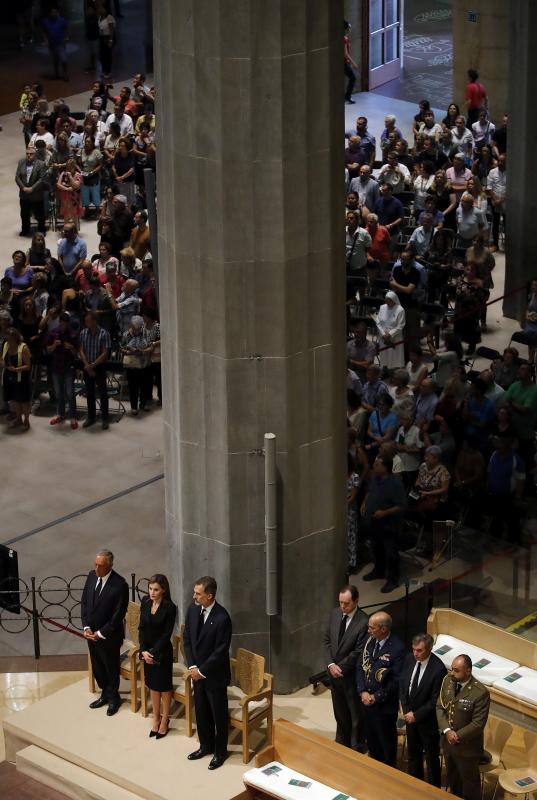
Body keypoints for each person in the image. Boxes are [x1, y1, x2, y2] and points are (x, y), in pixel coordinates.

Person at [183, 576, 232, 770]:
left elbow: (220, 651)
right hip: (197, 673)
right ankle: (205, 745)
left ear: (210, 596)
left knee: (218, 715)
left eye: (198, 593)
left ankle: (220, 752)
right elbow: (187, 639)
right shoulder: (193, 610)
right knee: (202, 712)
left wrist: (202, 671)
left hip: (214, 676)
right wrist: (192, 667)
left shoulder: (222, 618)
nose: (194, 596)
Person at [81, 549, 129, 716]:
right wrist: (86, 627)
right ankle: (104, 693)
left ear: (109, 565)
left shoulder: (120, 584)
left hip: (109, 636)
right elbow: (85, 603)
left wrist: (100, 633)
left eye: (100, 565)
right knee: (98, 666)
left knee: (110, 667)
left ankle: (114, 698)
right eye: (95, 564)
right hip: (91, 634)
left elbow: (118, 615)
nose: (96, 568)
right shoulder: (91, 576)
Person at [437, 654, 490, 800]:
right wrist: (447, 731)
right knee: (453, 779)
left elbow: (478, 724)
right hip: (448, 743)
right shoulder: (448, 681)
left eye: (456, 670)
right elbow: (440, 708)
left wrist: (456, 736)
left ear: (468, 671)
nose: (452, 673)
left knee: (470, 785)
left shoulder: (480, 693)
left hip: (467, 748)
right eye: (452, 669)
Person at [323, 584, 368, 752]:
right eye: (341, 602)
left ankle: (356, 746)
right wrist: (330, 664)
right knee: (339, 711)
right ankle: (342, 743)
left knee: (355, 714)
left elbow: (359, 652)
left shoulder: (363, 621)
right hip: (334, 674)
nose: (343, 607)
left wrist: (339, 667)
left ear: (356, 601)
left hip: (350, 676)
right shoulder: (334, 614)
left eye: (346, 603)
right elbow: (327, 642)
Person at [355, 612, 405, 765]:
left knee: (386, 746)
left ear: (383, 629)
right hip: (366, 703)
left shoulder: (397, 648)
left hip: (384, 707)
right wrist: (362, 691)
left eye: (372, 628)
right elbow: (360, 667)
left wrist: (376, 697)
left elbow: (396, 680)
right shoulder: (370, 641)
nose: (368, 630)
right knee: (372, 743)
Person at [400, 633, 447, 787]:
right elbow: (403, 685)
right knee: (413, 755)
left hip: (428, 723)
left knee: (431, 759)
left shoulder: (438, 669)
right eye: (413, 649)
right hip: (410, 718)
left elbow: (435, 700)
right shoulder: (409, 659)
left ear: (429, 649)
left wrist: (416, 715)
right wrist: (406, 710)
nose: (415, 653)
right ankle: (415, 787)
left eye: (419, 650)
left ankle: (434, 792)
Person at [361, 454, 407, 593]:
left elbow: (401, 505)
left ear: (385, 467)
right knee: (376, 548)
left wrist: (384, 513)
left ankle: (393, 579)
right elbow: (370, 491)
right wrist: (364, 503)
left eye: (377, 464)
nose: (374, 466)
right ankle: (379, 570)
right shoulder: (375, 478)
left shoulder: (395, 483)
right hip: (374, 523)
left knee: (391, 553)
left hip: (389, 525)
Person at [139, 574, 177, 739]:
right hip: (147, 651)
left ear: (163, 590)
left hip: (162, 652)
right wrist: (143, 650)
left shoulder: (170, 607)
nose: (152, 592)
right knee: (153, 685)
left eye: (156, 589)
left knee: (164, 687)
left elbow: (166, 634)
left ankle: (165, 719)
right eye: (150, 589)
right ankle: (156, 717)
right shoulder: (145, 602)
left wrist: (152, 652)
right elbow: (141, 628)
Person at [79, 310, 111, 430]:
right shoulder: (83, 333)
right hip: (88, 366)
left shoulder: (104, 334)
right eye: (85, 321)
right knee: (90, 393)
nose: (86, 323)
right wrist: (87, 365)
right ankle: (91, 417)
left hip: (99, 366)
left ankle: (105, 418)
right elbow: (81, 350)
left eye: (88, 321)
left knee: (103, 394)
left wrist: (92, 365)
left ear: (94, 321)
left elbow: (105, 353)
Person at [46, 310, 79, 428]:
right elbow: (48, 350)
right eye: (62, 322)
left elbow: (77, 353)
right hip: (56, 367)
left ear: (68, 323)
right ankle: (60, 414)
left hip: (68, 367)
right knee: (59, 393)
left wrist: (71, 348)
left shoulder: (73, 335)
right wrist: (54, 345)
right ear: (59, 322)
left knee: (70, 393)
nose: (63, 325)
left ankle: (73, 416)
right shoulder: (53, 333)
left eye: (65, 323)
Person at [2, 327, 32, 430]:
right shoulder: (6, 345)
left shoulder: (23, 348)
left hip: (21, 378)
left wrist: (16, 369)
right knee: (14, 400)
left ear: (15, 338)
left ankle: (26, 421)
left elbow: (28, 366)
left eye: (9, 338)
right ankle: (18, 419)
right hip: (9, 377)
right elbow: (3, 359)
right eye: (6, 337)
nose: (7, 339)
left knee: (23, 401)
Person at [121, 315, 152, 415]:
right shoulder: (126, 334)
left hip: (144, 363)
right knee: (133, 386)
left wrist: (142, 351)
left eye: (139, 327)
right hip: (132, 364)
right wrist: (129, 351)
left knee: (144, 385)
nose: (137, 329)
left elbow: (151, 347)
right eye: (135, 327)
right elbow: (121, 347)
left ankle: (143, 403)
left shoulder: (146, 333)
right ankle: (134, 406)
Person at [15, 147, 47, 237]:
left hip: (36, 194)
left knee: (40, 214)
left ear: (35, 154)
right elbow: (17, 177)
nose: (28, 155)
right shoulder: (21, 162)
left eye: (31, 154)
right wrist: (23, 187)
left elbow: (42, 179)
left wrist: (32, 188)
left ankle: (41, 230)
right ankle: (25, 229)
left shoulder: (41, 164)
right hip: (24, 194)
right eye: (27, 153)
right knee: (24, 213)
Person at [376, 291, 406, 370]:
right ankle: (384, 370)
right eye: (386, 300)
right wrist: (383, 334)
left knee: (394, 356)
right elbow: (378, 322)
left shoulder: (400, 310)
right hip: (383, 337)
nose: (387, 302)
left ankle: (393, 371)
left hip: (395, 337)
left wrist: (390, 334)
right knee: (384, 355)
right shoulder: (382, 307)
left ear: (394, 300)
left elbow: (401, 325)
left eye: (389, 301)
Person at [42, 7, 69, 81]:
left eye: (55, 12)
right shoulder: (46, 21)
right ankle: (56, 74)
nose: (54, 14)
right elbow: (44, 31)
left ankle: (65, 74)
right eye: (52, 12)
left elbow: (66, 28)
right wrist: (45, 40)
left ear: (58, 12)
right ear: (50, 13)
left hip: (60, 43)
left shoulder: (62, 20)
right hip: (51, 44)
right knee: (55, 60)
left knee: (63, 59)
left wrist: (66, 37)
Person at [487, 153, 506, 252]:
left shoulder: (511, 172)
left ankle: (508, 244)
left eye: (502, 161)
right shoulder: (492, 172)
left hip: (507, 202)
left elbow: (511, 187)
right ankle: (495, 244)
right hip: (495, 202)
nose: (500, 162)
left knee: (508, 224)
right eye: (499, 160)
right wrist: (496, 200)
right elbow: (489, 187)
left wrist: (502, 199)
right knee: (495, 223)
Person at [56, 157, 83, 226]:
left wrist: (70, 177)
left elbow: (76, 186)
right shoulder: (63, 173)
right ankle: (67, 232)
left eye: (70, 166)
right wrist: (66, 189)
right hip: (65, 198)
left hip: (74, 199)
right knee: (66, 216)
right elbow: (58, 184)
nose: (68, 168)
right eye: (68, 166)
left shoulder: (78, 175)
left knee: (74, 216)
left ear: (74, 166)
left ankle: (75, 233)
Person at [97, 0, 116, 80]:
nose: (100, 10)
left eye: (102, 8)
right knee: (102, 56)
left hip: (108, 37)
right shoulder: (100, 17)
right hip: (102, 38)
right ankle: (104, 70)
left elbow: (111, 29)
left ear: (106, 9)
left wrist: (110, 40)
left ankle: (108, 72)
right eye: (99, 9)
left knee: (107, 55)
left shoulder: (109, 17)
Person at [343, 21, 357, 104]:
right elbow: (345, 53)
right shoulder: (344, 39)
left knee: (352, 78)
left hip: (346, 62)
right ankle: (347, 97)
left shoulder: (345, 38)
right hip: (344, 63)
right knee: (353, 78)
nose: (350, 29)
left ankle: (347, 96)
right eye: (349, 27)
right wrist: (353, 63)